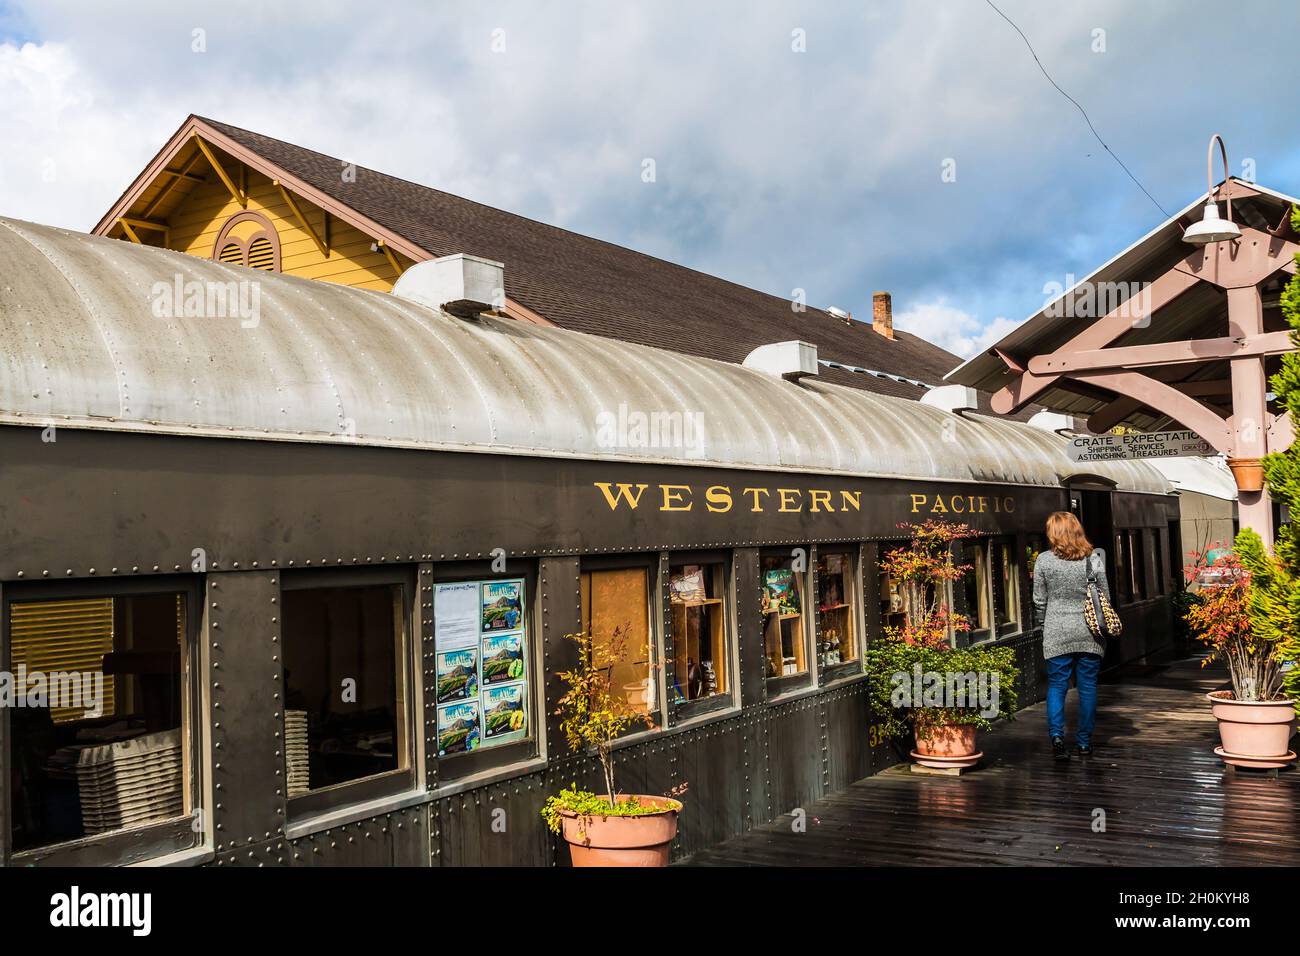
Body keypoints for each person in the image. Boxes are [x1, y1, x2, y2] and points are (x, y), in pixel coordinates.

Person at [1032, 511, 1110, 760]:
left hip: (1056, 630)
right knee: (1087, 687)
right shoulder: (1093, 558)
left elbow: (1039, 600)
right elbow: (1104, 596)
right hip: (1089, 631)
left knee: (1057, 685)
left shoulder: (1043, 560)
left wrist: (1045, 625)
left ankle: (1057, 736)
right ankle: (1084, 742)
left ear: (1053, 533)